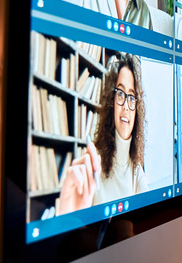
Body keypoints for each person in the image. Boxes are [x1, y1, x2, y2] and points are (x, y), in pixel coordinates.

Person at [59, 53, 149, 214]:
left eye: (132, 97)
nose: (126, 106)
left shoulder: (137, 171)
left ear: (137, 108)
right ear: (112, 101)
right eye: (120, 93)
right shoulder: (93, 164)